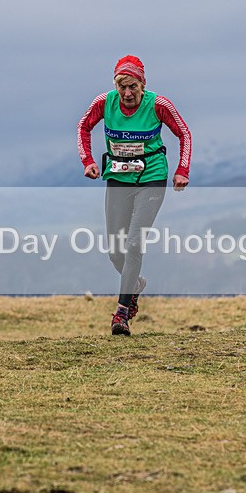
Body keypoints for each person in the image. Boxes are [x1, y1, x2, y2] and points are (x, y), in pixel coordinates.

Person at [77, 54, 192, 335]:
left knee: (133, 244)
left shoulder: (159, 105)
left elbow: (184, 134)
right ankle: (135, 285)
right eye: (122, 86)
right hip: (117, 178)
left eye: (133, 87)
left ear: (143, 84)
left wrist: (182, 170)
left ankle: (122, 313)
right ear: (115, 85)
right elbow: (83, 127)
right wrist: (88, 161)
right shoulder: (104, 103)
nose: (127, 93)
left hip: (151, 178)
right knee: (115, 251)